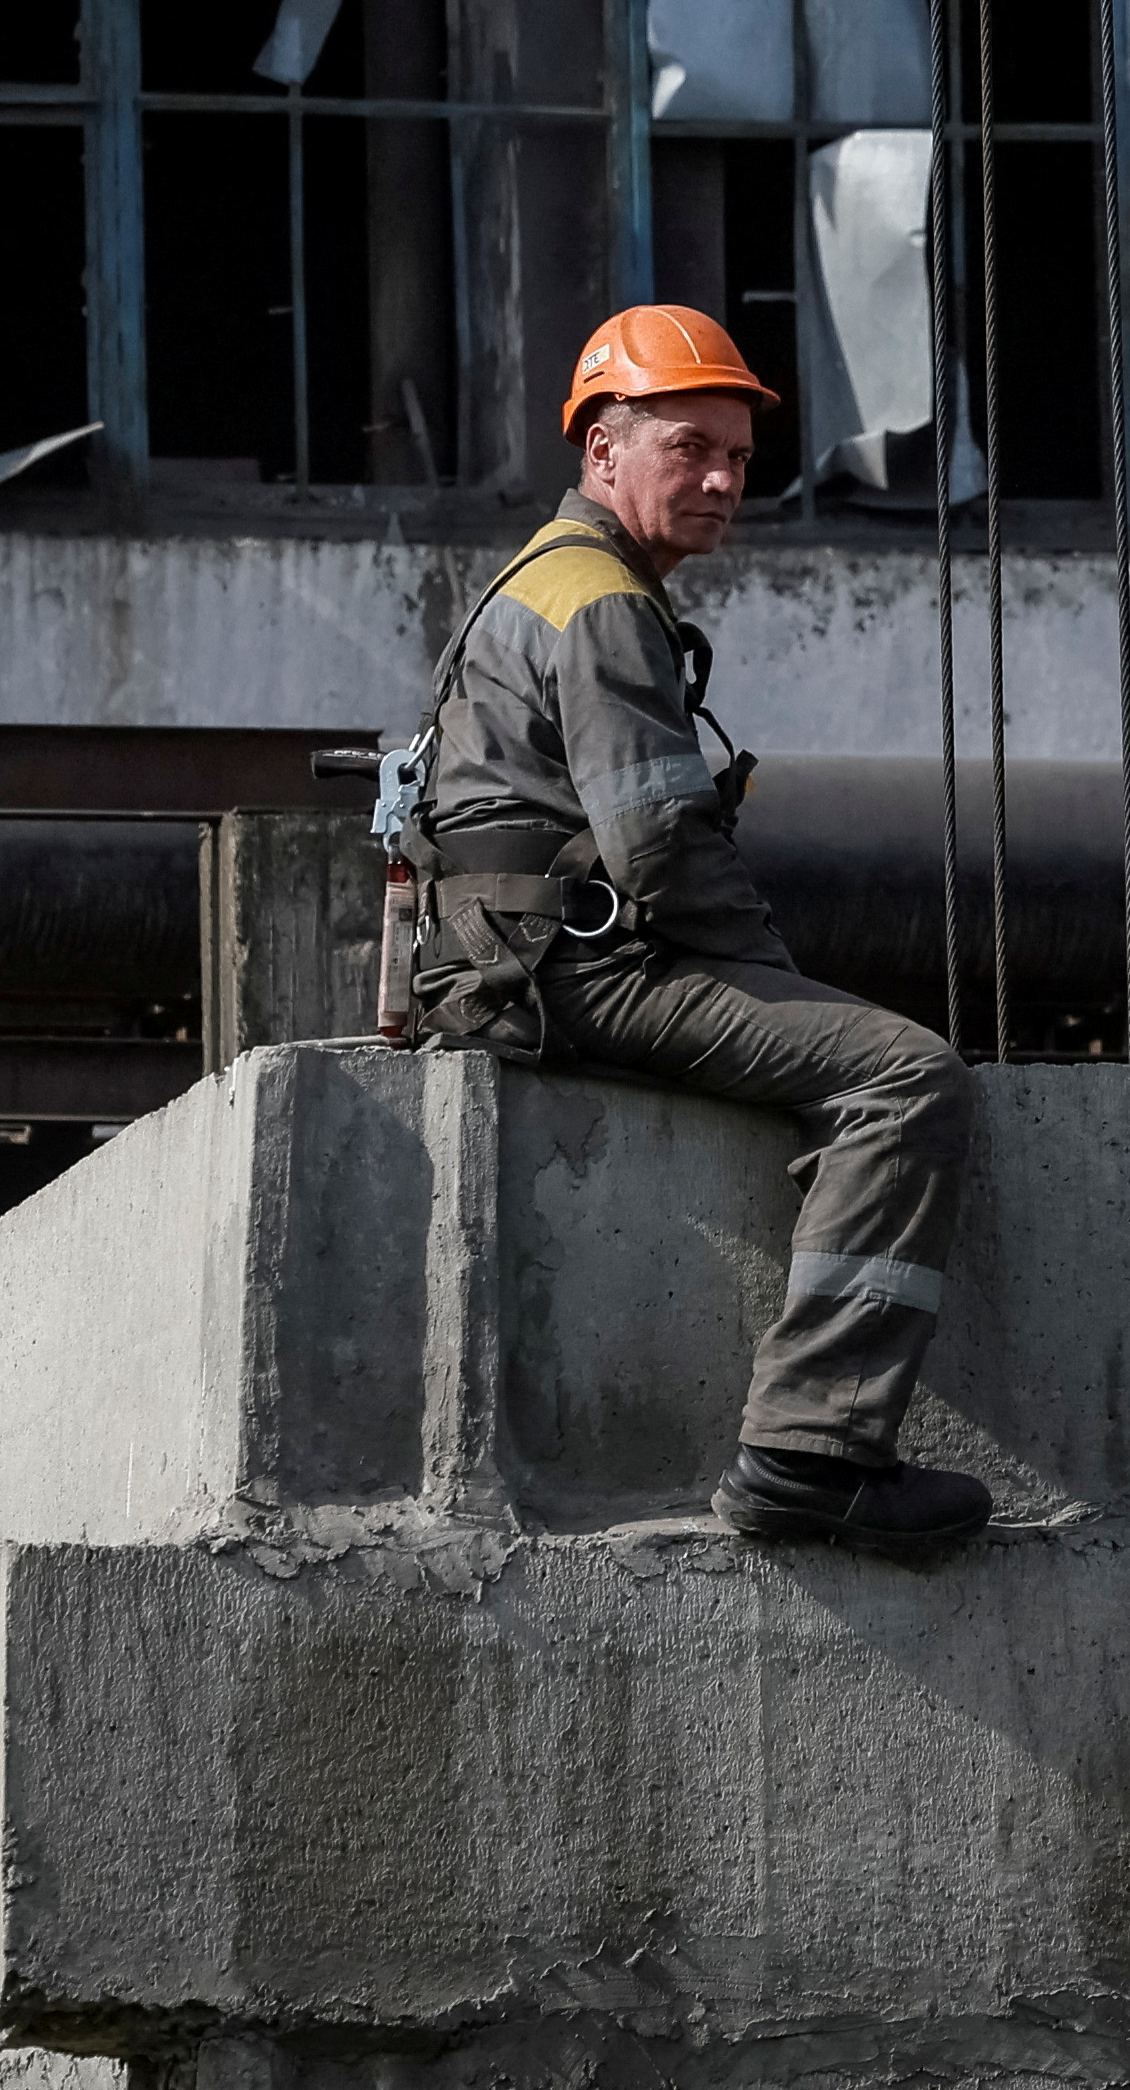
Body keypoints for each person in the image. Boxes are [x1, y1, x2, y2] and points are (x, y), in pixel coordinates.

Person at [390, 302, 990, 1555]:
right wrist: (772, 988)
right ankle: (813, 1454)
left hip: (511, 961)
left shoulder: (542, 580)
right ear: (602, 446)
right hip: (571, 965)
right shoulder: (601, 602)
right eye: (690, 449)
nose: (722, 480)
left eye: (736, 456)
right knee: (899, 1073)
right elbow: (660, 843)